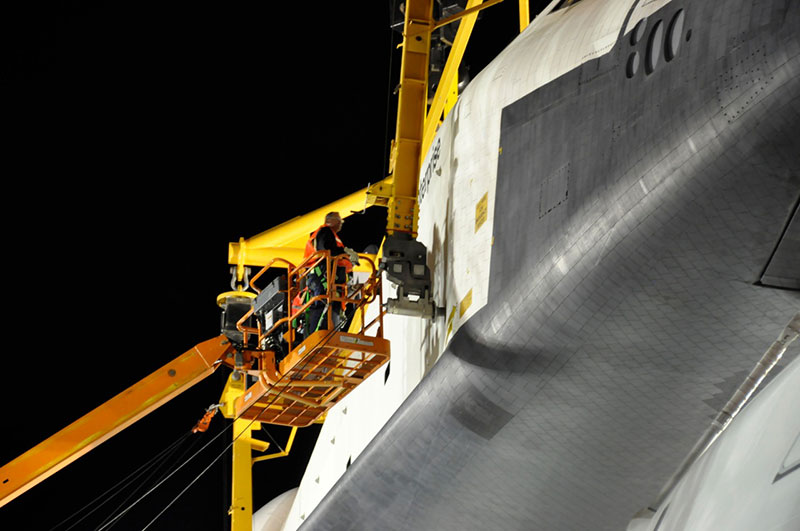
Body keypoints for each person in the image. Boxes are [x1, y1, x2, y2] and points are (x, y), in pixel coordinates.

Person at [303, 212, 359, 335]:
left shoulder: (331, 235)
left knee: (330, 304)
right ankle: (317, 336)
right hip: (321, 274)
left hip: (328, 276)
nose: (340, 224)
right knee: (322, 303)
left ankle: (326, 333)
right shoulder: (325, 231)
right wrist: (345, 252)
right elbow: (326, 250)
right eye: (339, 221)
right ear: (331, 220)